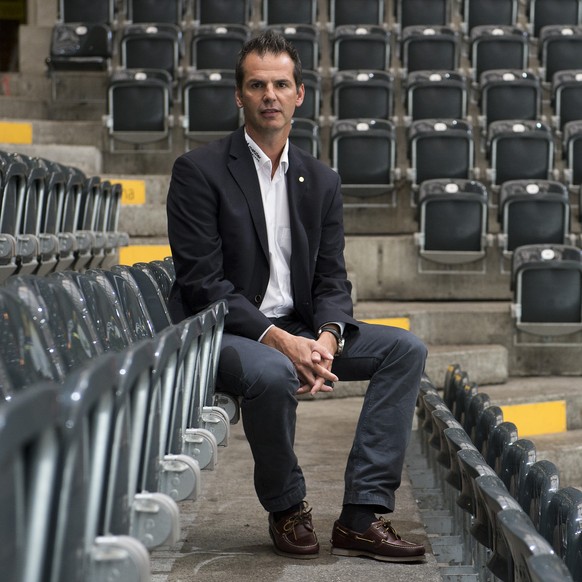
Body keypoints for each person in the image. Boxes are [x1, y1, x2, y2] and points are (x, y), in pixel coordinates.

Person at [166, 29, 427, 563]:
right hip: (230, 332)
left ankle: (360, 515)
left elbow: (332, 279)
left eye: (281, 84)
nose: (270, 95)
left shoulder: (322, 179)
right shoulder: (199, 172)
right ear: (239, 95)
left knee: (405, 351)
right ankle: (286, 507)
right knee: (272, 371)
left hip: (301, 327)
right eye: (257, 85)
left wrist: (328, 338)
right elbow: (203, 285)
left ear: (299, 94)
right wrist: (283, 341)